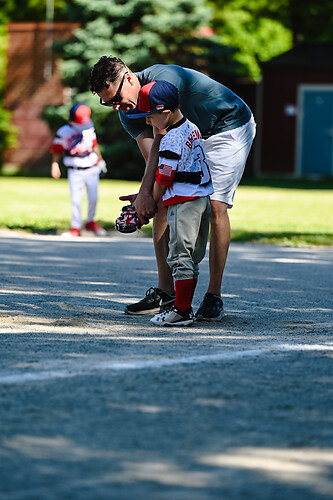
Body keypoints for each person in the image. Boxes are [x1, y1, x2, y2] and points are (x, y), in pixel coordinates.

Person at [90, 57, 256, 320]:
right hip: (190, 135)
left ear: (130, 78)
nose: (115, 107)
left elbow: (162, 141)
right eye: (108, 102)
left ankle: (214, 296)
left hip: (226, 126)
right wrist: (147, 197)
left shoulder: (163, 82)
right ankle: (166, 293)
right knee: (166, 200)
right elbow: (155, 163)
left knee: (215, 205)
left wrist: (147, 192)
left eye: (116, 98)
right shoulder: (128, 111)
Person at [127, 80, 213, 326]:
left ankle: (181, 311)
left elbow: (164, 178)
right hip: (201, 201)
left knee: (179, 257)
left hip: (184, 204)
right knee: (190, 258)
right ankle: (183, 307)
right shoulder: (192, 128)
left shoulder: (171, 139)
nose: (146, 121)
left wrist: (147, 208)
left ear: (165, 113)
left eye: (150, 116)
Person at [50, 103, 107, 237]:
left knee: (93, 198)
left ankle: (90, 221)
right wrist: (54, 165)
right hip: (75, 169)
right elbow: (57, 149)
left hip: (91, 167)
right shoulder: (64, 131)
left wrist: (101, 160)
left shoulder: (89, 127)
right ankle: (75, 227)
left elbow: (94, 145)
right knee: (76, 199)